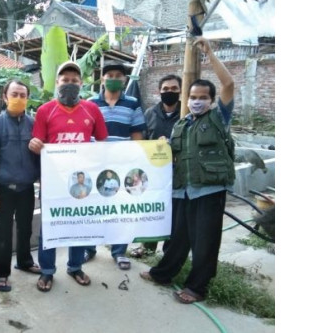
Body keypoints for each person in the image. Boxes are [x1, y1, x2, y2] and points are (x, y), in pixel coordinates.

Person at [139, 36, 236, 305]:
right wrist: (161, 146)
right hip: (183, 190)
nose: (196, 101)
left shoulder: (219, 118)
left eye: (202, 97)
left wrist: (210, 53)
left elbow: (229, 84)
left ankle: (197, 287)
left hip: (208, 190)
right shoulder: (182, 124)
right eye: (192, 97)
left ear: (212, 100)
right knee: (178, 237)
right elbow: (172, 152)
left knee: (204, 241)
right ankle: (163, 274)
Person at [28, 60, 108, 292]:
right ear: (57, 83)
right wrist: (34, 144)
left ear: (81, 83)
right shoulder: (45, 110)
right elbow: (38, 144)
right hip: (53, 180)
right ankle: (47, 271)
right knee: (50, 226)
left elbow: (103, 141)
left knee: (79, 224)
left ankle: (75, 266)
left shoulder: (92, 110)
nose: (70, 84)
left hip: (81, 180)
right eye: (65, 80)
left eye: (74, 81)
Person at [85, 60, 147, 270]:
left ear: (124, 79)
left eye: (117, 76)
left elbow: (137, 135)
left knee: (121, 209)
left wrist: (138, 163)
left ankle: (119, 251)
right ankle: (89, 248)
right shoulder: (90, 103)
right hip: (95, 165)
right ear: (102, 79)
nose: (113, 79)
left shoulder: (132, 104)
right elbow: (85, 135)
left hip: (122, 166)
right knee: (92, 208)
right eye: (109, 75)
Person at [0, 80, 41, 293]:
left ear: (27, 99)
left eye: (23, 95)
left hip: (27, 187)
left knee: (26, 228)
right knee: (3, 233)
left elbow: (39, 155)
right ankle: (0, 273)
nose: (19, 99)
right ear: (5, 97)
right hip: (4, 188)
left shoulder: (33, 123)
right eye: (14, 94)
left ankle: (25, 261)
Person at [134, 74, 182, 257]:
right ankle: (147, 248)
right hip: (155, 171)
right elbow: (143, 141)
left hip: (179, 172)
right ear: (159, 92)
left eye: (174, 89)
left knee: (175, 213)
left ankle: (170, 252)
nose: (169, 92)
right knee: (152, 210)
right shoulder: (150, 113)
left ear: (180, 91)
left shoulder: (186, 113)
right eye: (166, 90)